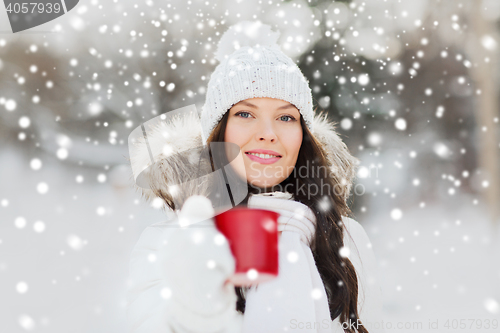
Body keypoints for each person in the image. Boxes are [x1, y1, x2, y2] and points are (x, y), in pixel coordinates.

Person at [126, 21, 385, 333]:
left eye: (286, 117)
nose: (267, 134)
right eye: (245, 114)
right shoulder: (173, 239)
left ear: (302, 136)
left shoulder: (344, 240)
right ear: (218, 133)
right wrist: (198, 312)